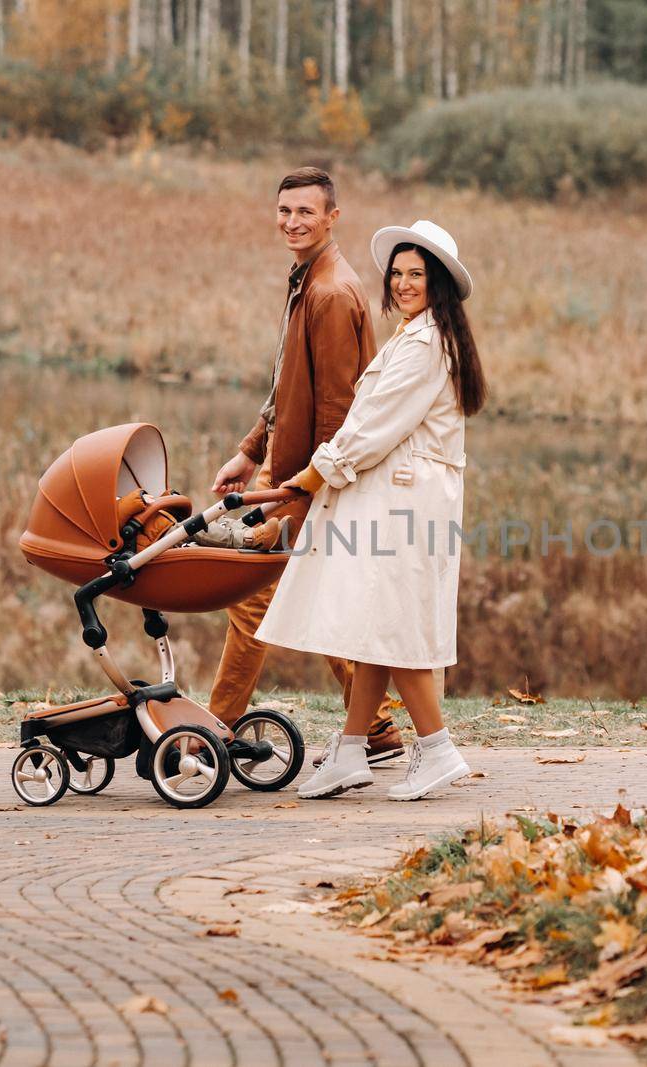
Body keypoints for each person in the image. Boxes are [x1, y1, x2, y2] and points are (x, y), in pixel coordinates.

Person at [256, 220, 486, 802]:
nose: (404, 283)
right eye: (399, 273)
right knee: (372, 624)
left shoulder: (426, 345)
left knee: (392, 626)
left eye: (418, 274)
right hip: (397, 495)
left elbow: (371, 428)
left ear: (439, 285)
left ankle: (436, 749)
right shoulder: (417, 336)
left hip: (403, 500)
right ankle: (352, 748)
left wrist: (313, 473)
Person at [202, 167, 403, 760]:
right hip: (287, 469)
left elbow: (337, 412)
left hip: (310, 476)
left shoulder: (332, 294)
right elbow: (286, 386)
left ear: (332, 217)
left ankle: (215, 729)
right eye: (285, 211)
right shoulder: (307, 279)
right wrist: (250, 450)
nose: (292, 222)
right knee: (306, 597)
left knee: (256, 599)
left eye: (305, 212)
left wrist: (301, 494)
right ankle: (376, 729)